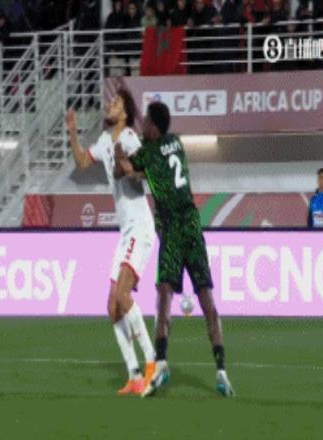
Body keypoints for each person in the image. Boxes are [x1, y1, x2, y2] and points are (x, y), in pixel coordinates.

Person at [115, 101, 234, 398]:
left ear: (154, 127)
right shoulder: (176, 143)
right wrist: (142, 173)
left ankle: (161, 363)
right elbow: (156, 172)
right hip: (192, 222)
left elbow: (124, 170)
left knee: (164, 293)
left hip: (172, 227)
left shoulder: (149, 151)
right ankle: (221, 370)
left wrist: (119, 150)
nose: (142, 126)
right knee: (206, 295)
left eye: (146, 122)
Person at [65, 89, 156, 396]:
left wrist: (129, 170)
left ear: (125, 114)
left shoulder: (129, 139)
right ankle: (134, 375)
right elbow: (81, 162)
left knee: (122, 293)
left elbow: (146, 171)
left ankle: (153, 362)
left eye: (115, 103)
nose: (109, 105)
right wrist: (73, 133)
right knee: (112, 306)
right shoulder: (106, 140)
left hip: (140, 227)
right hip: (126, 231)